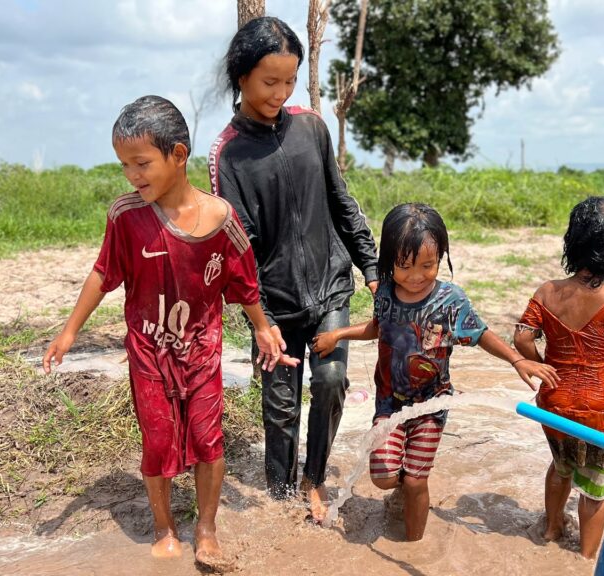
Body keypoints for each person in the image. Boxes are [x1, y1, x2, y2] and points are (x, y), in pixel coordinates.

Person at [43, 95, 295, 570]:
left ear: (178, 155)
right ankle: (164, 528)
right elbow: (103, 273)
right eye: (124, 165)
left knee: (208, 439)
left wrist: (263, 328)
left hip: (201, 350)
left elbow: (245, 283)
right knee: (157, 440)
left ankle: (207, 529)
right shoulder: (126, 215)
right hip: (148, 353)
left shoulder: (221, 219)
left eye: (141, 164)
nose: (132, 176)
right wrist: (69, 332)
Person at [209, 16, 379, 521]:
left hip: (330, 288)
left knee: (330, 380)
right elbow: (239, 250)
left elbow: (341, 201)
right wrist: (260, 322)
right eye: (269, 82)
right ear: (241, 76)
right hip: (274, 305)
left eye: (289, 81)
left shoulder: (311, 128)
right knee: (280, 408)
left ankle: (315, 479)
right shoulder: (228, 154)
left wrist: (371, 269)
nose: (280, 93)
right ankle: (279, 497)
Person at [312, 203, 559, 541]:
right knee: (383, 475)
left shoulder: (450, 301)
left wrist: (517, 360)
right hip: (390, 403)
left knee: (416, 479)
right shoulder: (385, 293)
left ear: (440, 257)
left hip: (432, 404)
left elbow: (480, 334)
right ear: (389, 261)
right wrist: (338, 334)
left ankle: (414, 544)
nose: (416, 276)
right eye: (405, 267)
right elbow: (378, 327)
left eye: (427, 266)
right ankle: (399, 492)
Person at [512, 196, 604, 560]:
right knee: (594, 486)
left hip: (553, 403)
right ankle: (586, 558)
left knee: (561, 466)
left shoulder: (547, 292)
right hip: (597, 411)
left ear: (573, 244)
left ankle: (551, 529)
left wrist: (542, 367)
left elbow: (522, 338)